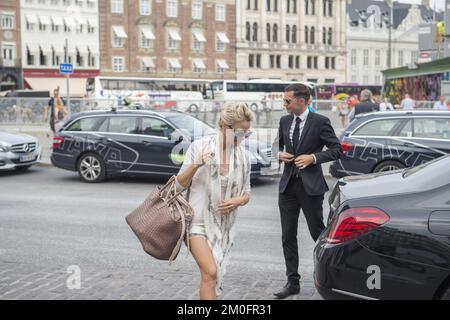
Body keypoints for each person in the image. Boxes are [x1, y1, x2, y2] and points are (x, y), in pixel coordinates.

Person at [175, 102, 253, 300]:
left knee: (210, 277)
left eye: (247, 133)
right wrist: (196, 164)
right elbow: (178, 186)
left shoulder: (244, 157)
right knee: (211, 272)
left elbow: (247, 193)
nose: (243, 138)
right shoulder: (199, 147)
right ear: (225, 127)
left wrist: (238, 201)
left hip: (223, 228)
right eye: (239, 133)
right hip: (196, 223)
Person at [272, 83, 342, 299]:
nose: (284, 104)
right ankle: (292, 282)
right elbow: (277, 146)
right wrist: (279, 154)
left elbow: (336, 149)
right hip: (287, 187)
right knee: (287, 236)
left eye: (287, 101)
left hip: (311, 188)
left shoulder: (321, 122)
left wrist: (313, 158)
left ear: (301, 101)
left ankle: (331, 276)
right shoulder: (284, 121)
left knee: (317, 233)